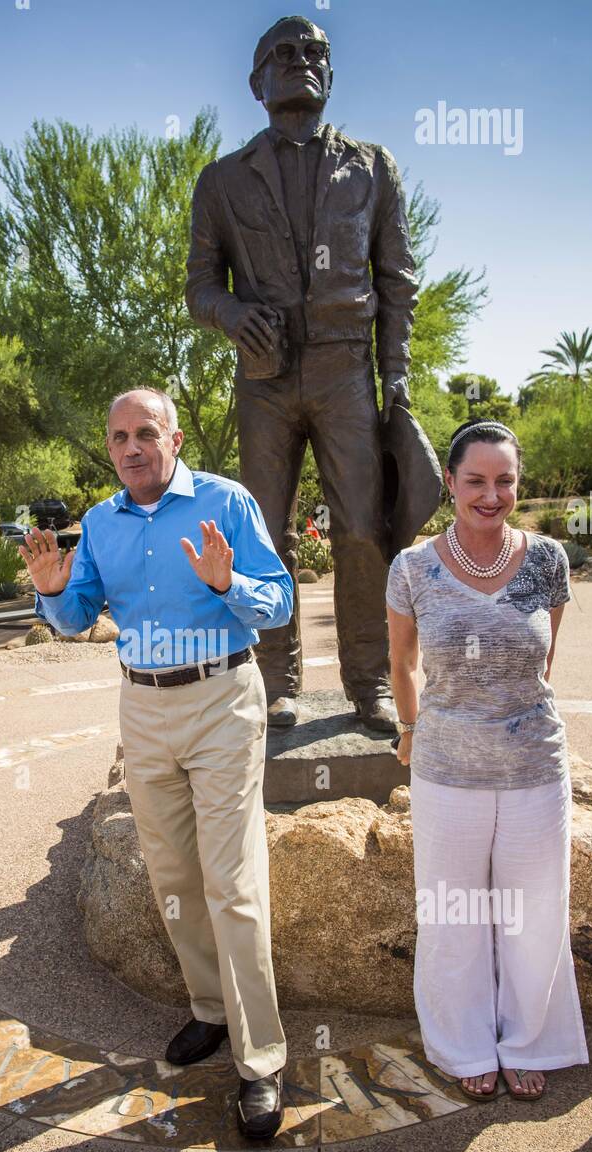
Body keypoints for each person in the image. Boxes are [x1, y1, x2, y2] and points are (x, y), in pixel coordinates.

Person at [21, 388, 292, 1138]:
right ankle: (209, 1008)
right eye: (118, 437)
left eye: (145, 433)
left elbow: (279, 603)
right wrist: (51, 594)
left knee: (232, 879)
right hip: (142, 706)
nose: (132, 446)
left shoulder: (225, 502)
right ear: (108, 448)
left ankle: (262, 1058)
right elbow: (78, 616)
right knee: (172, 873)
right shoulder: (103, 522)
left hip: (221, 699)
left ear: (173, 440)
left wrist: (226, 584)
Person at [186, 14, 418, 730]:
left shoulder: (372, 167)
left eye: (315, 52)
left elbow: (398, 282)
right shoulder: (222, 180)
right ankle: (277, 681)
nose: (300, 62)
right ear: (257, 83)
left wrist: (396, 379)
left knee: (361, 528)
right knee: (265, 531)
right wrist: (230, 315)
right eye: (282, 55)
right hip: (265, 379)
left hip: (348, 372)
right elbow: (200, 286)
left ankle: (370, 683)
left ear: (329, 74)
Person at [386, 419, 589, 1102]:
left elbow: (543, 661)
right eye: (475, 480)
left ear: (517, 483)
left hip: (535, 766)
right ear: (450, 483)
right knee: (453, 915)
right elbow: (402, 663)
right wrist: (411, 731)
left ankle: (529, 1041)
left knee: (533, 916)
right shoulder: (413, 567)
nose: (491, 494)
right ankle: (463, 1044)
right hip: (446, 771)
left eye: (504, 480)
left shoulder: (547, 561)